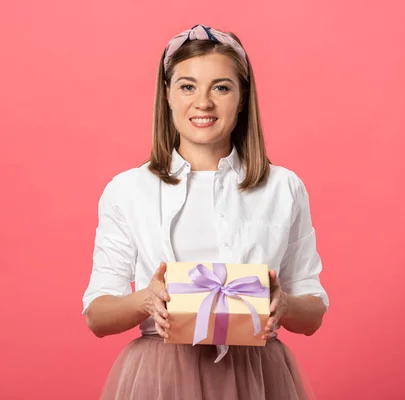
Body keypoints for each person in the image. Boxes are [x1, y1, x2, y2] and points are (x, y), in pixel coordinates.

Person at [82, 24, 329, 399]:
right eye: (187, 86)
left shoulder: (283, 188)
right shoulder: (128, 191)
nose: (203, 102)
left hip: (258, 378)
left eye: (221, 87)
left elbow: (312, 315)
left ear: (242, 97)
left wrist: (284, 303)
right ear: (167, 95)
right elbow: (97, 316)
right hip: (161, 379)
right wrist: (145, 300)